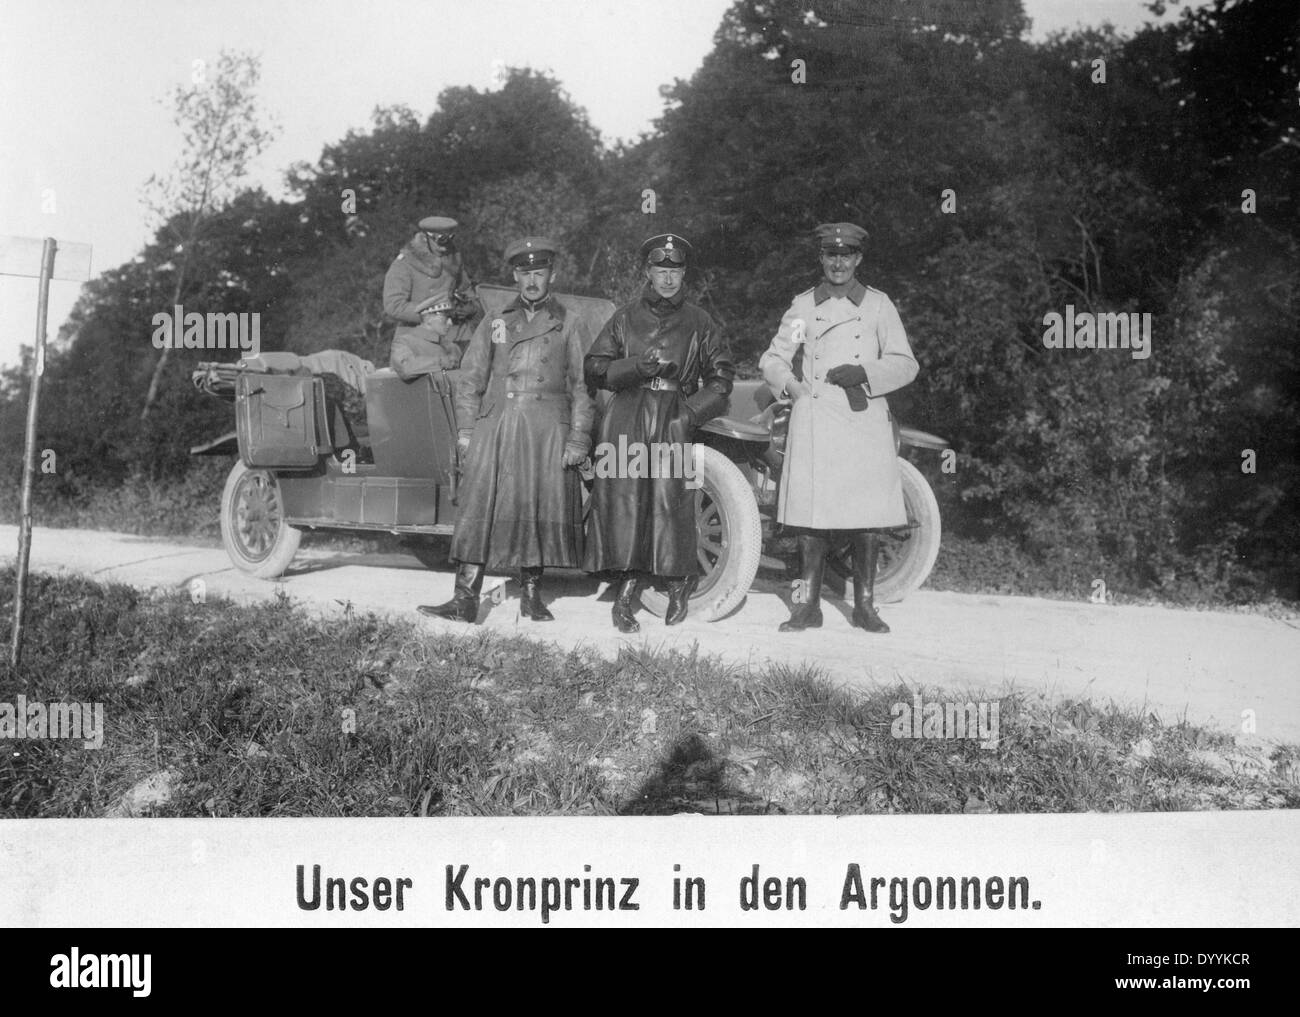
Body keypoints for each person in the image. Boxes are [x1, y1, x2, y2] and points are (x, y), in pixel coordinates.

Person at [417, 237, 594, 623]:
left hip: (545, 429)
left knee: (536, 506)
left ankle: (532, 596)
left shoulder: (570, 322)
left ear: (552, 274)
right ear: (515, 275)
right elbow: (470, 378)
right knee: (479, 507)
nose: (532, 280)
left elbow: (582, 387)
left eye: (539, 272)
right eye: (524, 273)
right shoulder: (495, 320)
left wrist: (578, 437)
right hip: (495, 426)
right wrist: (466, 430)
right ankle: (465, 599)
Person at [759, 222, 919, 634]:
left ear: (858, 259)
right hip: (816, 419)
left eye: (846, 255)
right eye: (831, 255)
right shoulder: (803, 307)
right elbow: (774, 359)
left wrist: (864, 371)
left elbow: (905, 363)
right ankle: (807, 605)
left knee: (867, 515)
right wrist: (794, 389)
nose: (838, 263)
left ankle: (864, 606)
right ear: (821, 259)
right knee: (812, 515)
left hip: (863, 417)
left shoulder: (879, 307)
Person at [584, 232, 734, 632]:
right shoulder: (624, 316)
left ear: (684, 273)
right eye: (660, 269)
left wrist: (689, 414)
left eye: (675, 270)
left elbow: (721, 380)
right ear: (648, 271)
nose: (668, 278)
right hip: (627, 415)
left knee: (672, 501)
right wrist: (634, 367)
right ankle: (626, 590)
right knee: (626, 501)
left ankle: (679, 582)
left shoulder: (700, 321)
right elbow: (594, 368)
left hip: (673, 416)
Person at [383, 215, 481, 379]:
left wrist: (467, 306)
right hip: (417, 342)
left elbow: (466, 289)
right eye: (440, 240)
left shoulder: (453, 258)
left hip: (453, 337)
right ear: (427, 237)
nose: (444, 246)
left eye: (449, 239)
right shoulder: (405, 263)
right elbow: (393, 305)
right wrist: (431, 313)